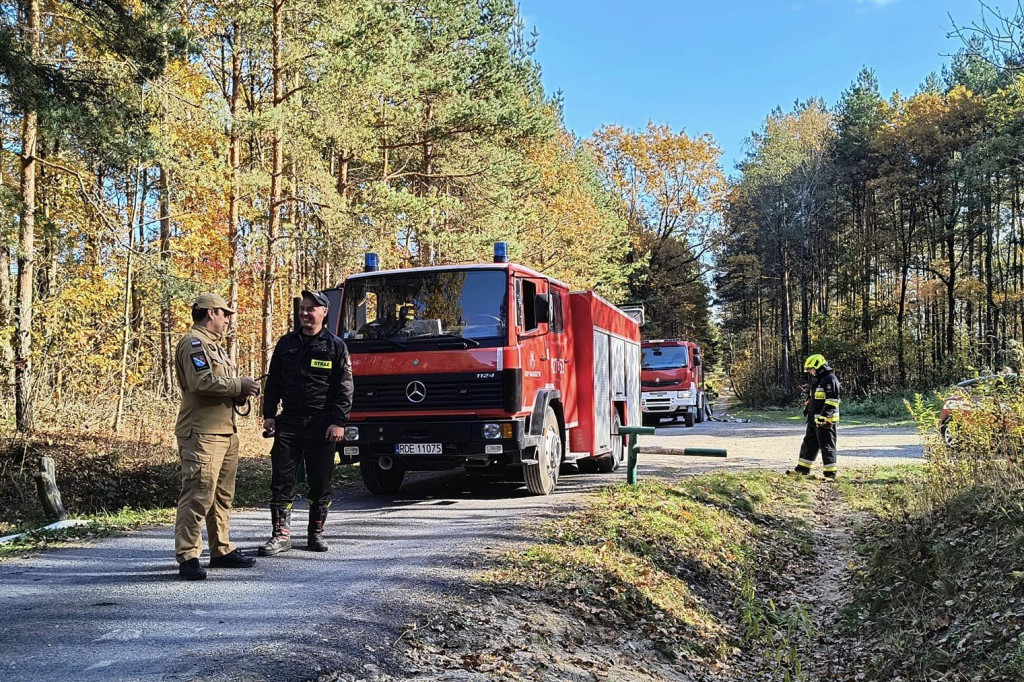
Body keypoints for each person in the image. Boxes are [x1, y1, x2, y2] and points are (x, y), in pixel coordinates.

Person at [174, 293, 261, 580]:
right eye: (224, 314)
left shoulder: (216, 347)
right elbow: (201, 382)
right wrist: (239, 384)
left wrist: (240, 392)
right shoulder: (194, 343)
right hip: (202, 434)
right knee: (198, 494)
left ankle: (221, 549)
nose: (226, 320)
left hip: (225, 431)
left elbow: (219, 386)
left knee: (222, 497)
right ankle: (188, 556)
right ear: (210, 313)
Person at [260, 289, 354, 555]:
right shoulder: (286, 344)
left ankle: (316, 534)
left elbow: (344, 388)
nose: (305, 313)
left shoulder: (335, 346)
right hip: (288, 423)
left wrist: (339, 422)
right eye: (303, 308)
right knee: (281, 480)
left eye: (311, 309)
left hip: (322, 424)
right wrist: (269, 414)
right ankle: (281, 535)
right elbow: (274, 381)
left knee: (320, 481)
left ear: (324, 313)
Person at [788, 354, 841, 480]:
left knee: (827, 445)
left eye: (812, 369)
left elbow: (832, 400)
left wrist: (824, 416)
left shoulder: (830, 379)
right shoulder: (819, 380)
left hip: (825, 420)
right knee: (809, 444)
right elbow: (817, 398)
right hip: (814, 420)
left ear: (819, 367)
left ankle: (830, 474)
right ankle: (802, 470)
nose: (811, 372)